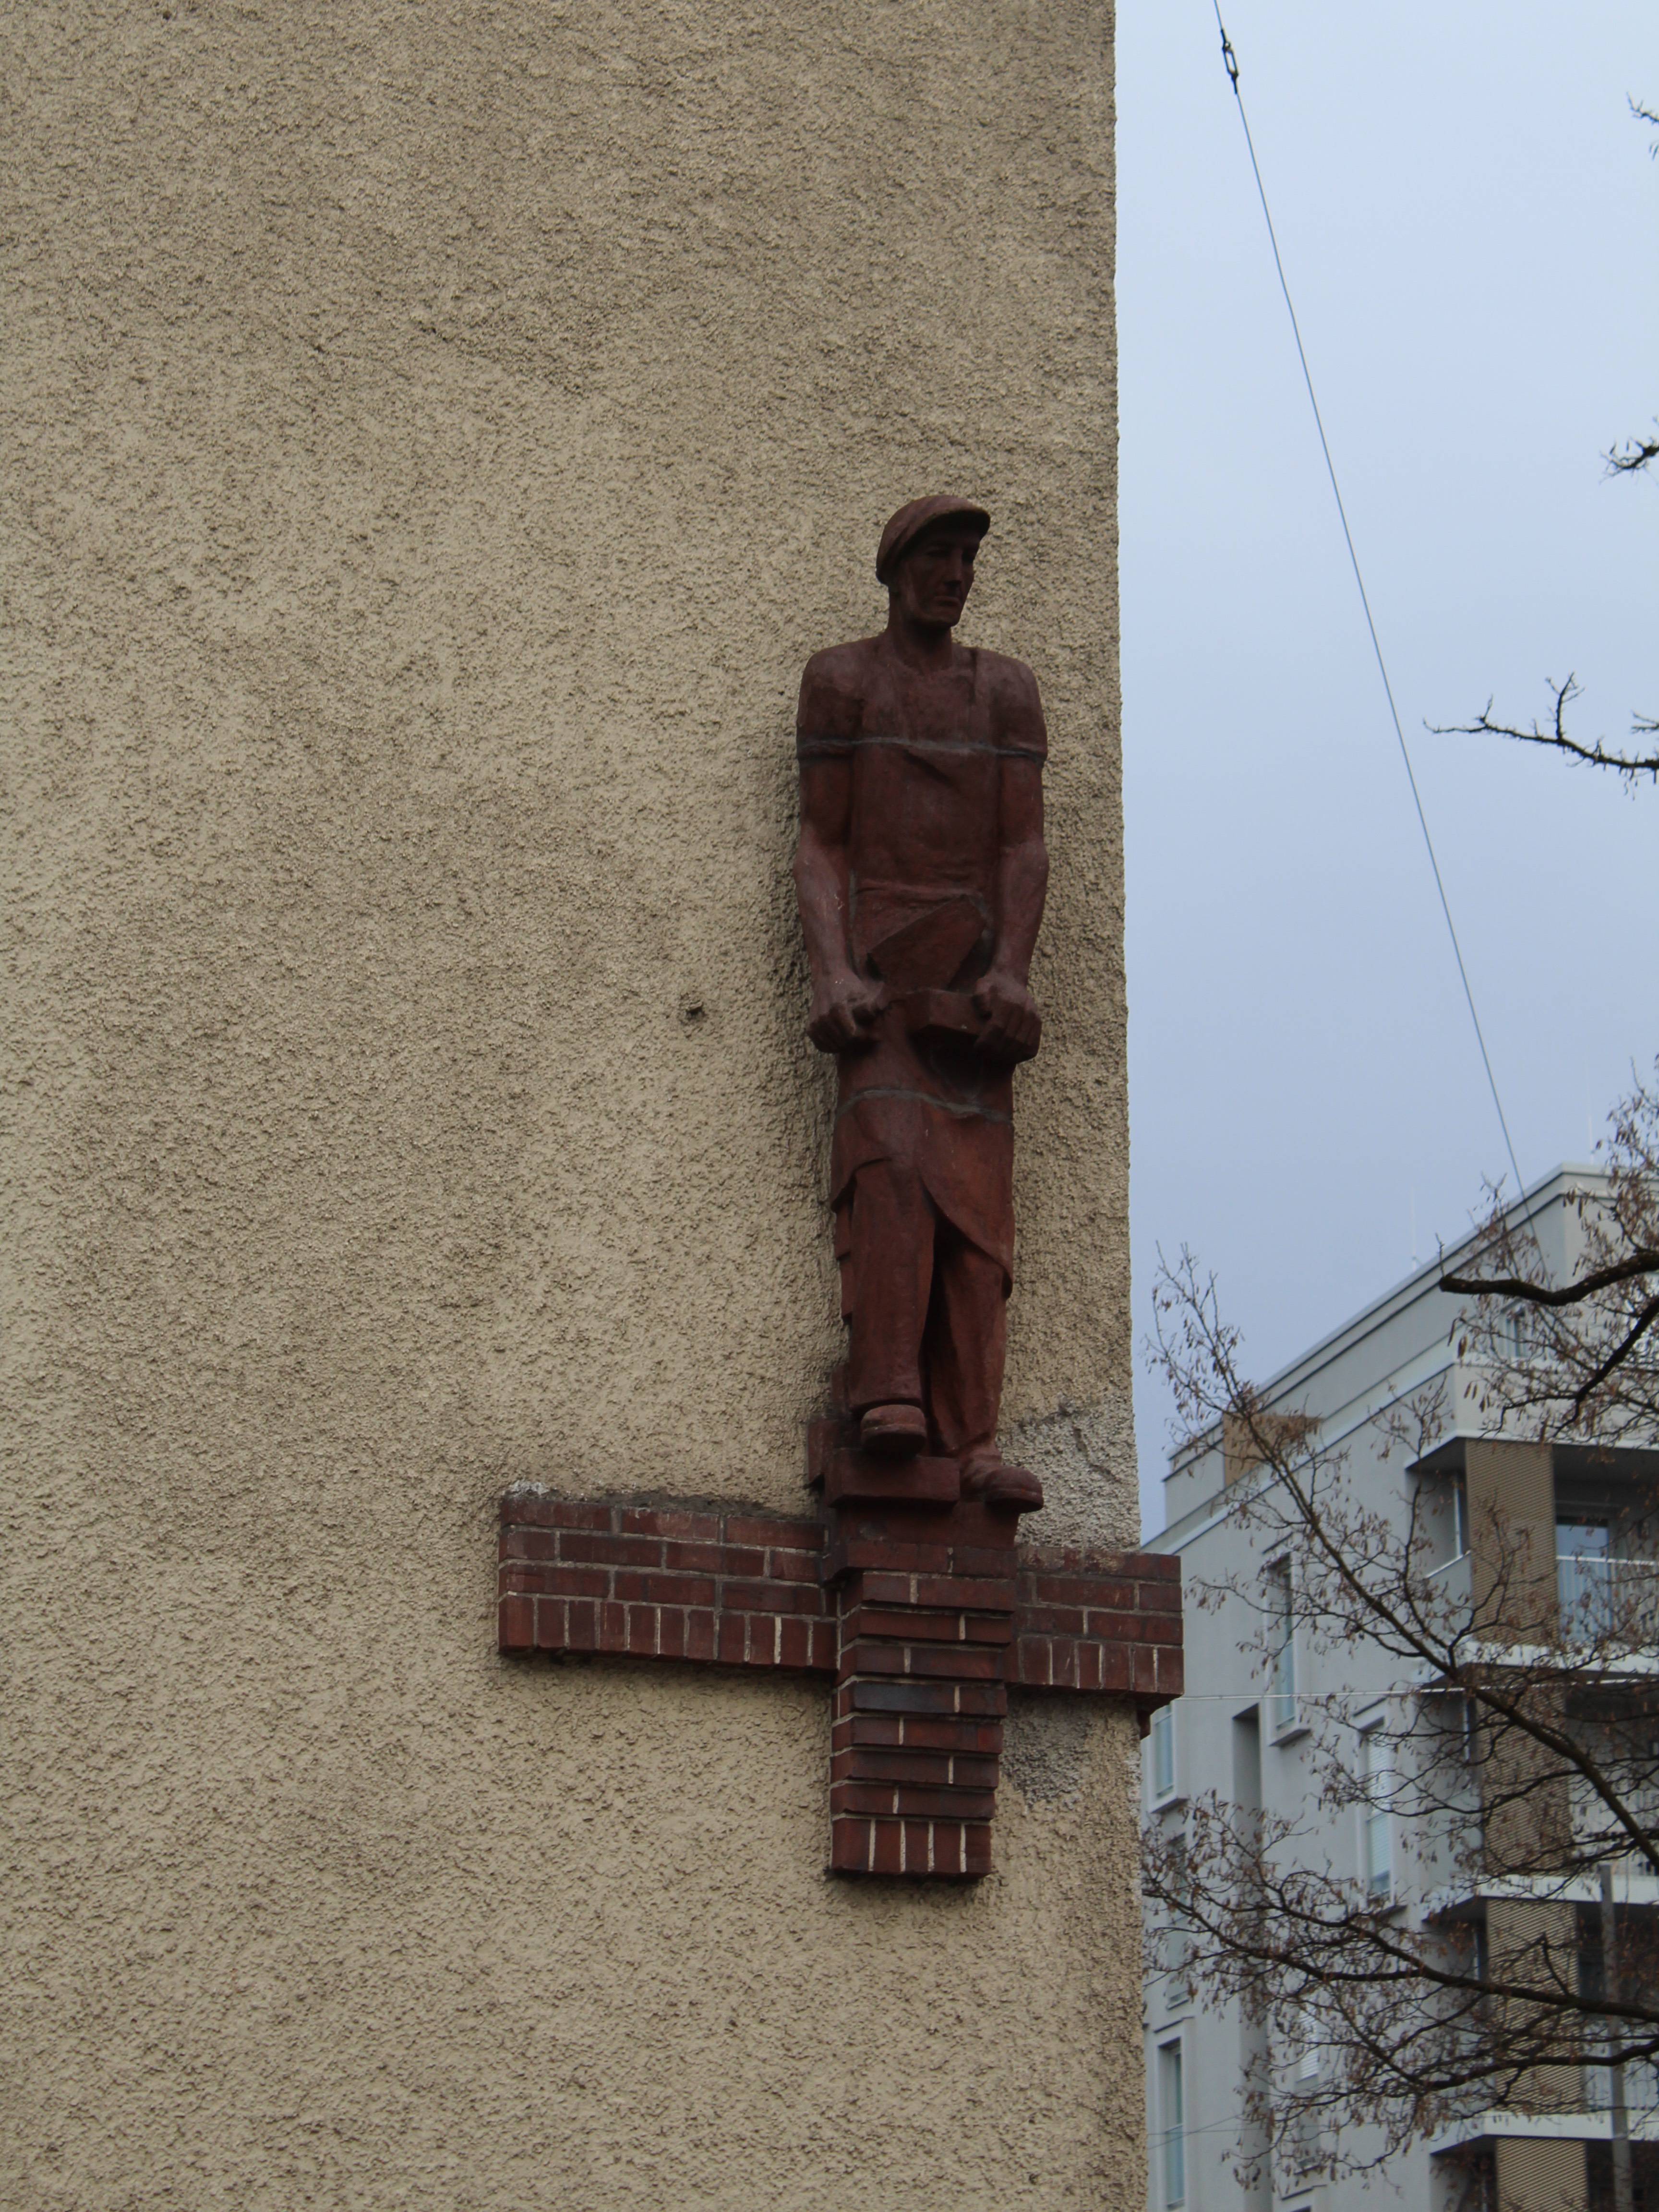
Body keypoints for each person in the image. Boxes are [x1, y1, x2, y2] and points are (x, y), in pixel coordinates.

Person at [793, 495, 1048, 1512]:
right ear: (896, 567)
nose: (957, 575)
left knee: (980, 1223)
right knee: (892, 1167)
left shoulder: (1007, 695)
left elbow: (1022, 847)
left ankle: (976, 1438)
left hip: (974, 992)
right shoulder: (843, 682)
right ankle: (888, 1393)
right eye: (939, 556)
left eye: (969, 559)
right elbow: (823, 843)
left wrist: (1013, 972)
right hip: (883, 985)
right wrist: (831, 973)